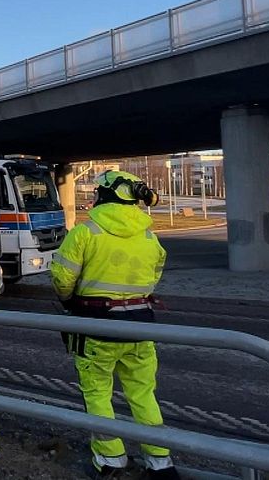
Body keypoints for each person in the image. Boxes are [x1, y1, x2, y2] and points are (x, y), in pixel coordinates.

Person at [51, 170, 178, 479]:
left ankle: (111, 460)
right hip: (140, 325)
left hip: (96, 325)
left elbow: (61, 277)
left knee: (97, 393)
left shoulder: (86, 232)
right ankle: (160, 462)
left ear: (106, 194)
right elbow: (155, 272)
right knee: (143, 394)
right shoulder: (149, 235)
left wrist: (69, 301)